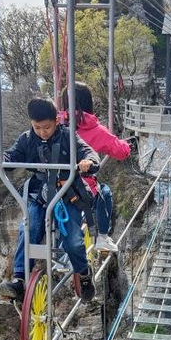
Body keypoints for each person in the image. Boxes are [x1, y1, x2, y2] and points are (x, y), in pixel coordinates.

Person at [0, 97, 100, 303]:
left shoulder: (67, 137)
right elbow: (11, 155)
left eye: (47, 127)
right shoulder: (28, 139)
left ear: (56, 120)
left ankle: (83, 273)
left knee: (72, 240)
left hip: (66, 193)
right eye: (37, 127)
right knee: (28, 229)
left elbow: (87, 151)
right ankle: (20, 279)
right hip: (40, 194)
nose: (42, 132)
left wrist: (88, 161)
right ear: (31, 123)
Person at [60, 82, 133, 254]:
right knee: (104, 192)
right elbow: (121, 152)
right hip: (80, 188)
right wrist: (126, 144)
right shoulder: (93, 129)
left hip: (55, 185)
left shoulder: (56, 125)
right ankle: (102, 236)